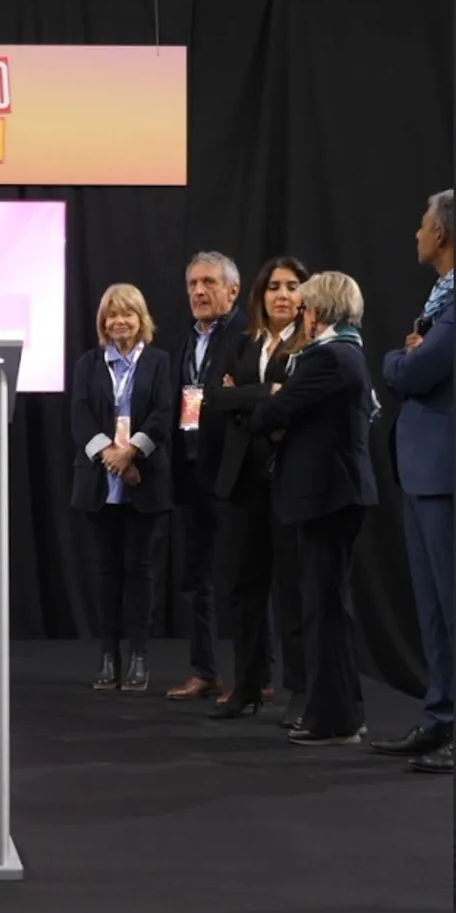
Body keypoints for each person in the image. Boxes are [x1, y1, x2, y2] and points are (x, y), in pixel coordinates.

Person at [251, 271, 379, 746]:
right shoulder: (344, 354)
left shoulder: (329, 358)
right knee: (328, 608)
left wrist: (277, 403)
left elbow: (269, 416)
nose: (299, 314)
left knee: (324, 611)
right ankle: (344, 713)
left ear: (318, 313)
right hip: (332, 496)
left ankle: (334, 720)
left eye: (303, 308)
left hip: (328, 497)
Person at [203, 257, 309, 723]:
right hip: (242, 482)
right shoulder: (244, 343)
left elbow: (296, 403)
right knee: (246, 589)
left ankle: (302, 693)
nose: (282, 295)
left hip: (289, 480)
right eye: (273, 287)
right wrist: (267, 393)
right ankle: (247, 686)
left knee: (294, 590)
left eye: (291, 286)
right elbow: (214, 396)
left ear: (305, 295)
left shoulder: (311, 345)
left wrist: (245, 395)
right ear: (260, 296)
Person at [373, 189, 454, 774]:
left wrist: (395, 363)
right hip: (424, 473)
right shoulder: (440, 297)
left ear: (444, 234)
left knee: (451, 609)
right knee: (431, 610)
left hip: (444, 475)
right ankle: (438, 718)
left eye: (423, 225)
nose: (416, 234)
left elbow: (419, 367)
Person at [71, 284, 172, 691]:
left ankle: (139, 659)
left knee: (141, 571)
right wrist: (109, 457)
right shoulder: (88, 364)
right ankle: (108, 657)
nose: (120, 322)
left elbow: (165, 413)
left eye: (127, 314)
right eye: (112, 315)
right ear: (103, 322)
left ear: (141, 318)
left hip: (145, 478)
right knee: (107, 573)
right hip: (100, 481)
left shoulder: (161, 362)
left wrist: (131, 454)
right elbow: (78, 416)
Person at [166, 251, 247, 701]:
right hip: (190, 469)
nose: (199, 291)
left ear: (232, 290)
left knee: (242, 574)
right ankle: (206, 671)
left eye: (209, 283)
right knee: (196, 576)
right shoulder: (182, 342)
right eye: (193, 283)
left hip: (232, 470)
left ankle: (258, 675)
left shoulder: (246, 336)